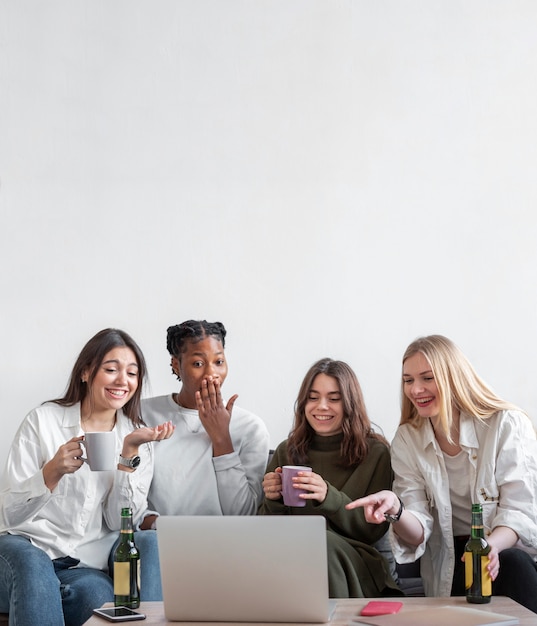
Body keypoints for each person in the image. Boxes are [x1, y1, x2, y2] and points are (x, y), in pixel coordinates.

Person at [347, 334, 537, 612]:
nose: (416, 389)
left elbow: (519, 510)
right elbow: (417, 531)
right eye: (408, 380)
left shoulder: (506, 424)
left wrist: (488, 548)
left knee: (513, 563)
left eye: (427, 377)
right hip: (452, 561)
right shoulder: (407, 439)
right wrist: (397, 510)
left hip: (503, 549)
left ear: (453, 377)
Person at [0, 328, 175, 626]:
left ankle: (50, 594)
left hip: (81, 565)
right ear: (85, 372)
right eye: (111, 369)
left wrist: (127, 457)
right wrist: (51, 472)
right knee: (34, 565)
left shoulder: (135, 438)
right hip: (24, 548)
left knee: (98, 594)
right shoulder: (43, 421)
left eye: (132, 373)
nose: (123, 380)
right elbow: (10, 516)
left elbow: (116, 521)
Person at [258, 357, 401, 598]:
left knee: (319, 542)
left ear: (349, 404)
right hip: (293, 555)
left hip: (357, 559)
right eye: (313, 398)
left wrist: (328, 496)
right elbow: (265, 529)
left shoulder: (375, 452)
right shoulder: (287, 450)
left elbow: (373, 530)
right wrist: (273, 499)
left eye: (334, 399)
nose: (321, 406)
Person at [140, 320, 270, 525]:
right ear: (176, 365)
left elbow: (244, 515)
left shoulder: (251, 428)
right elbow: (128, 502)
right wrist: (160, 528)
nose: (211, 374)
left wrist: (221, 439)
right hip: (158, 538)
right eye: (198, 364)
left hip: (225, 543)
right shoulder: (143, 414)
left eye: (219, 362)